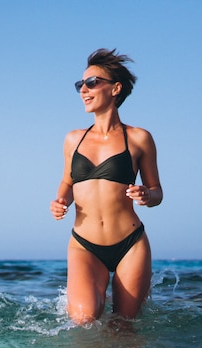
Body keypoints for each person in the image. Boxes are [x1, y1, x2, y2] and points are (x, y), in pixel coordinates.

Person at [50, 48, 163, 325]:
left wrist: (147, 195)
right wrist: (60, 200)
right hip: (84, 245)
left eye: (91, 82)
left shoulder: (139, 138)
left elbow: (157, 191)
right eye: (80, 85)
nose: (83, 90)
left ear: (115, 89)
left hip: (130, 244)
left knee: (125, 328)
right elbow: (67, 181)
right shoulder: (73, 139)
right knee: (84, 318)